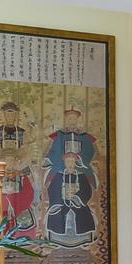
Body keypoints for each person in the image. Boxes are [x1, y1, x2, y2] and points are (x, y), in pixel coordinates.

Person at [44, 105, 99, 248]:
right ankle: (56, 238)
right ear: (66, 119)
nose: (72, 121)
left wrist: (78, 160)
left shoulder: (85, 137)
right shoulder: (59, 135)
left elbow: (90, 153)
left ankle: (83, 239)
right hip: (61, 170)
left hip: (80, 170)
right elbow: (52, 153)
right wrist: (64, 161)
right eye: (69, 118)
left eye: (74, 118)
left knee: (83, 211)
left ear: (78, 120)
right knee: (57, 210)